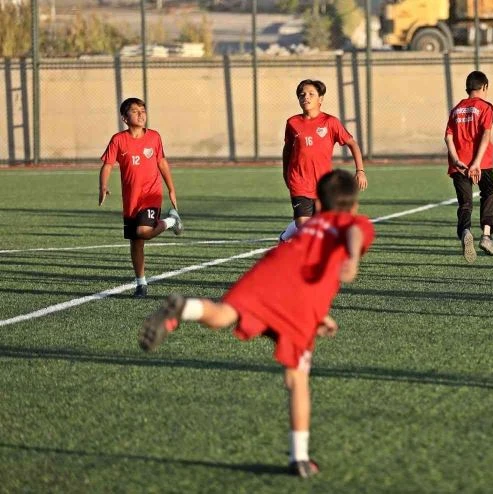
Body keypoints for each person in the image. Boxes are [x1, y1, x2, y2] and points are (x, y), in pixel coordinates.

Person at [138, 169, 375, 479]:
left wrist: (320, 314)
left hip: (271, 270)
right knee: (296, 379)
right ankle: (300, 458)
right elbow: (354, 234)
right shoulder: (354, 222)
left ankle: (185, 308)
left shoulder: (308, 224)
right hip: (299, 303)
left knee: (224, 315)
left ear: (317, 203)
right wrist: (354, 258)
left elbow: (293, 267)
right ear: (353, 206)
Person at [99, 97, 183, 298]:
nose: (141, 114)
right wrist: (103, 185)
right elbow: (108, 164)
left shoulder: (154, 137)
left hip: (151, 195)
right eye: (135, 111)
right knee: (136, 242)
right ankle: (141, 284)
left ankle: (171, 221)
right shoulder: (118, 140)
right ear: (124, 118)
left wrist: (171, 188)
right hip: (131, 200)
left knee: (144, 231)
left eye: (143, 110)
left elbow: (161, 162)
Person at [279, 79, 367, 242]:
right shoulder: (292, 123)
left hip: (323, 184)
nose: (306, 97)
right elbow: (287, 150)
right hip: (299, 181)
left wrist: (360, 171)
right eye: (302, 94)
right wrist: (286, 173)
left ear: (320, 99)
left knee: (320, 226)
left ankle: (286, 236)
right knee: (305, 227)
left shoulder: (330, 122)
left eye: (311, 94)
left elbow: (352, 143)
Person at [444, 70, 493, 263]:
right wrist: (476, 162)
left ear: (468, 88)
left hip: (459, 164)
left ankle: (466, 231)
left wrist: (457, 160)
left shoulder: (456, 109)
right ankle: (486, 235)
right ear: (484, 87)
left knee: (465, 204)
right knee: (488, 193)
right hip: (481, 163)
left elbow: (448, 137)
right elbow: (485, 134)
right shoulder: (486, 107)